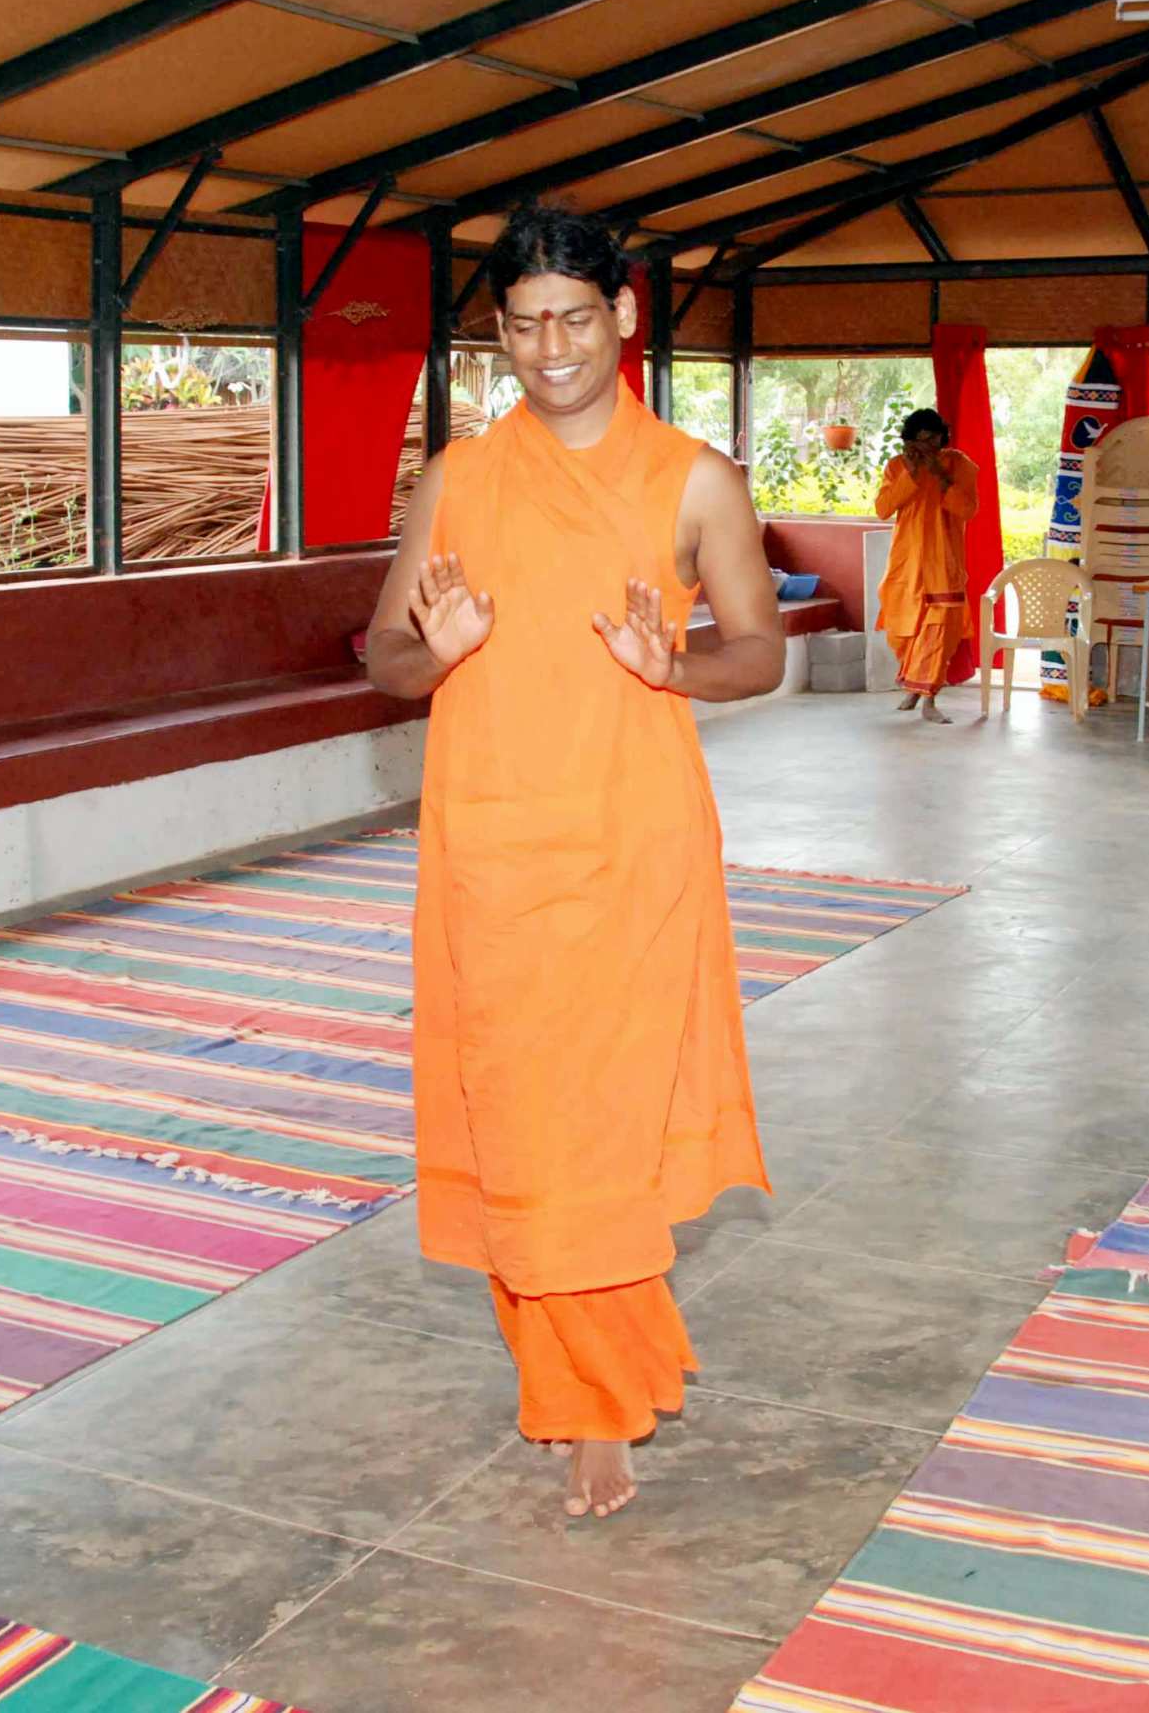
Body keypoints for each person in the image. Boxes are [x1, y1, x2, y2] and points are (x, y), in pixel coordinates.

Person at [363, 204, 782, 1519]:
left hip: (632, 846)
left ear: (624, 317)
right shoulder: (458, 477)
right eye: (524, 325)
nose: (550, 350)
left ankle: (595, 1401)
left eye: (575, 319)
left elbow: (760, 651)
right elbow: (382, 656)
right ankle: (569, 1372)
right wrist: (438, 649)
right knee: (517, 1116)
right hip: (490, 847)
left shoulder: (694, 479)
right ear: (498, 333)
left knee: (600, 1123)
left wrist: (675, 665)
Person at [872, 407, 980, 722]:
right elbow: (883, 508)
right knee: (904, 632)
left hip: (944, 564)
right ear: (909, 442)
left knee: (938, 634)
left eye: (932, 440)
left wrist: (939, 475)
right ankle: (913, 688)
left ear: (942, 439)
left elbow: (967, 509)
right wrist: (911, 472)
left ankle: (929, 699)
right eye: (920, 441)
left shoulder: (958, 464)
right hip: (906, 565)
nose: (927, 447)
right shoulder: (897, 466)